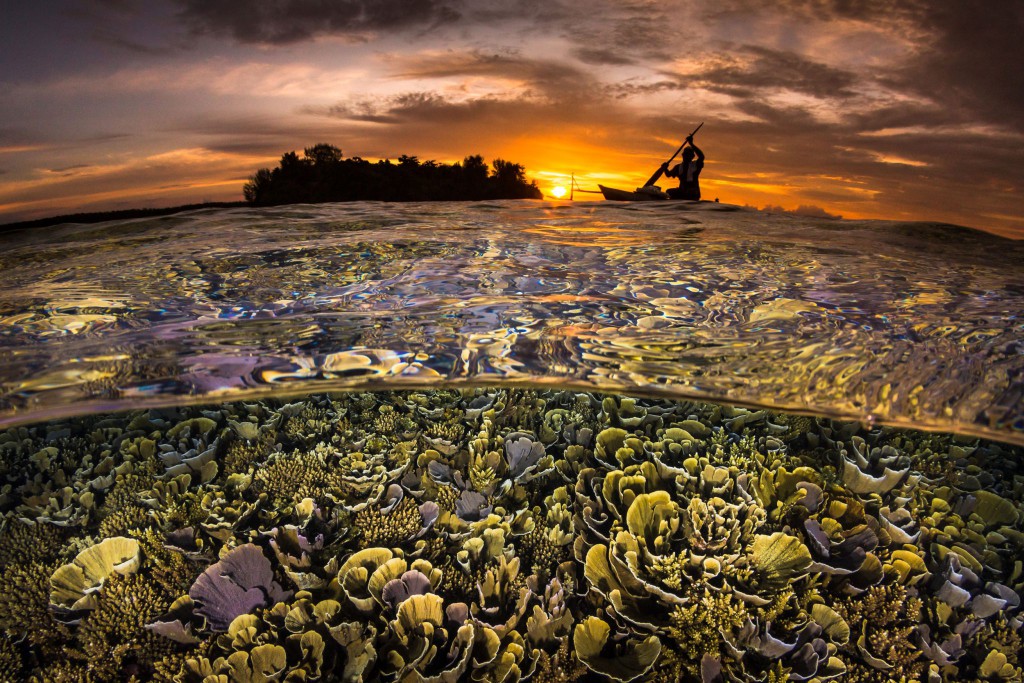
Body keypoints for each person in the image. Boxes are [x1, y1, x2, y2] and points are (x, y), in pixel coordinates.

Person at [662, 135, 704, 200]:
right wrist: (664, 168)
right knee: (669, 191)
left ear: (692, 156)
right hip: (682, 191)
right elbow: (668, 174)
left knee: (690, 192)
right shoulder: (678, 167)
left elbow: (701, 156)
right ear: (683, 155)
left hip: (693, 193)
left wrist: (691, 144)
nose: (687, 156)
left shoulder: (696, 165)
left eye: (689, 155)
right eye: (686, 154)